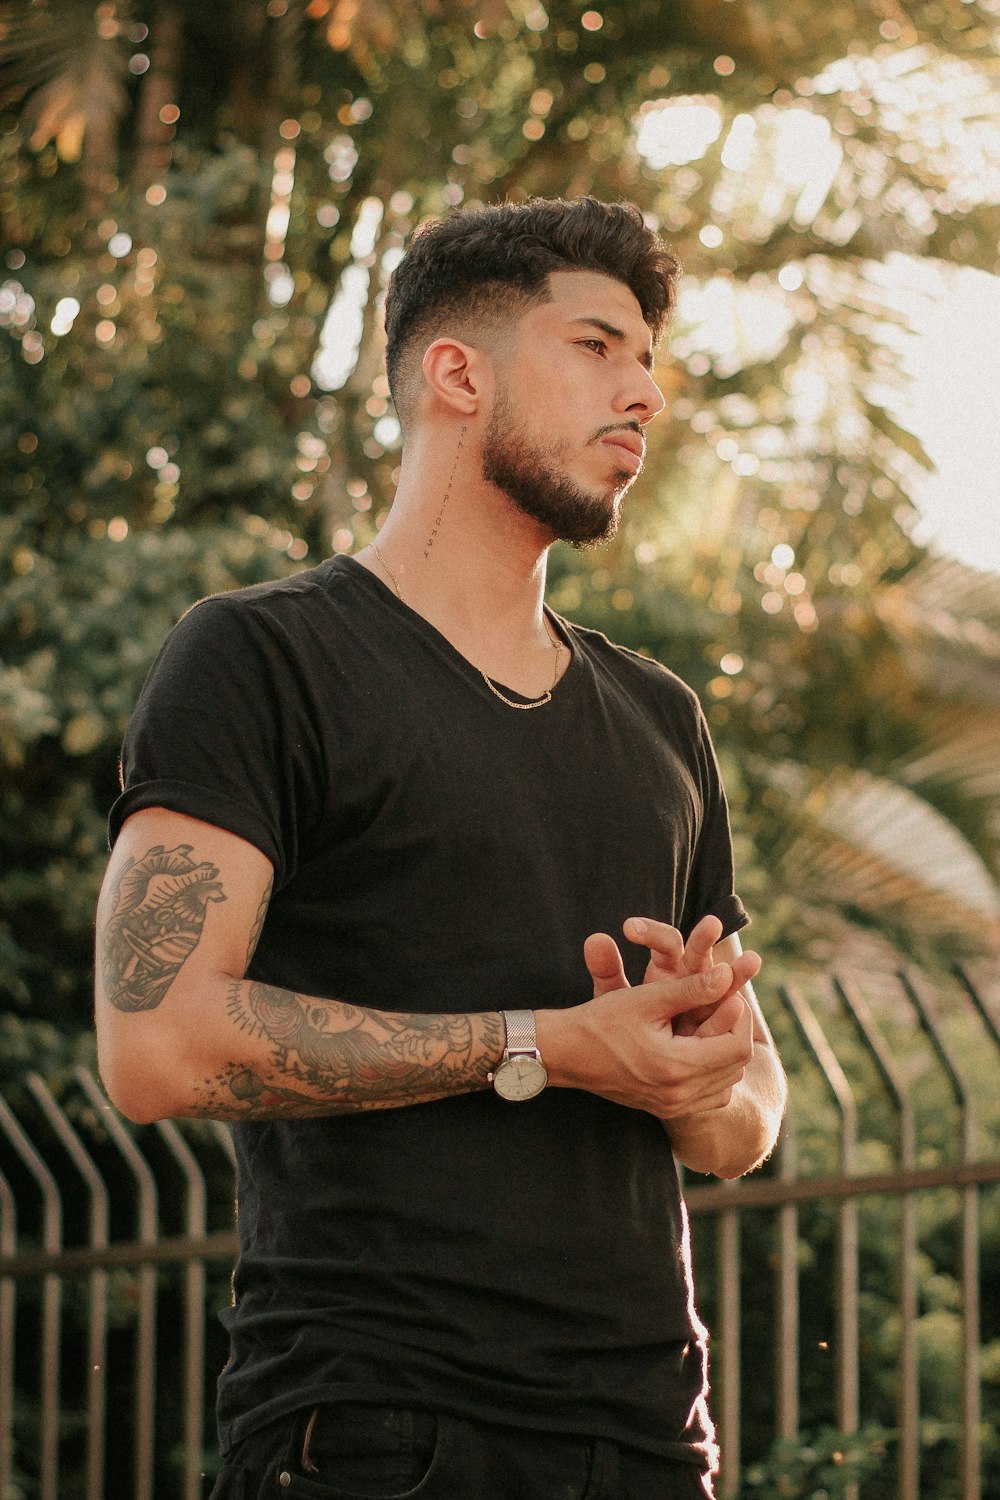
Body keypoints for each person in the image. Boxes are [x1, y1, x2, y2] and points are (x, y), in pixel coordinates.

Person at [95, 195, 786, 1500]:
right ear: (453, 374)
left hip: (653, 1443)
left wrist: (699, 1088)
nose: (644, 392)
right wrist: (546, 1046)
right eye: (598, 345)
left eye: (648, 358)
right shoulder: (262, 660)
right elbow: (157, 1045)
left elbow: (751, 1112)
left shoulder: (660, 720)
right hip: (378, 1435)